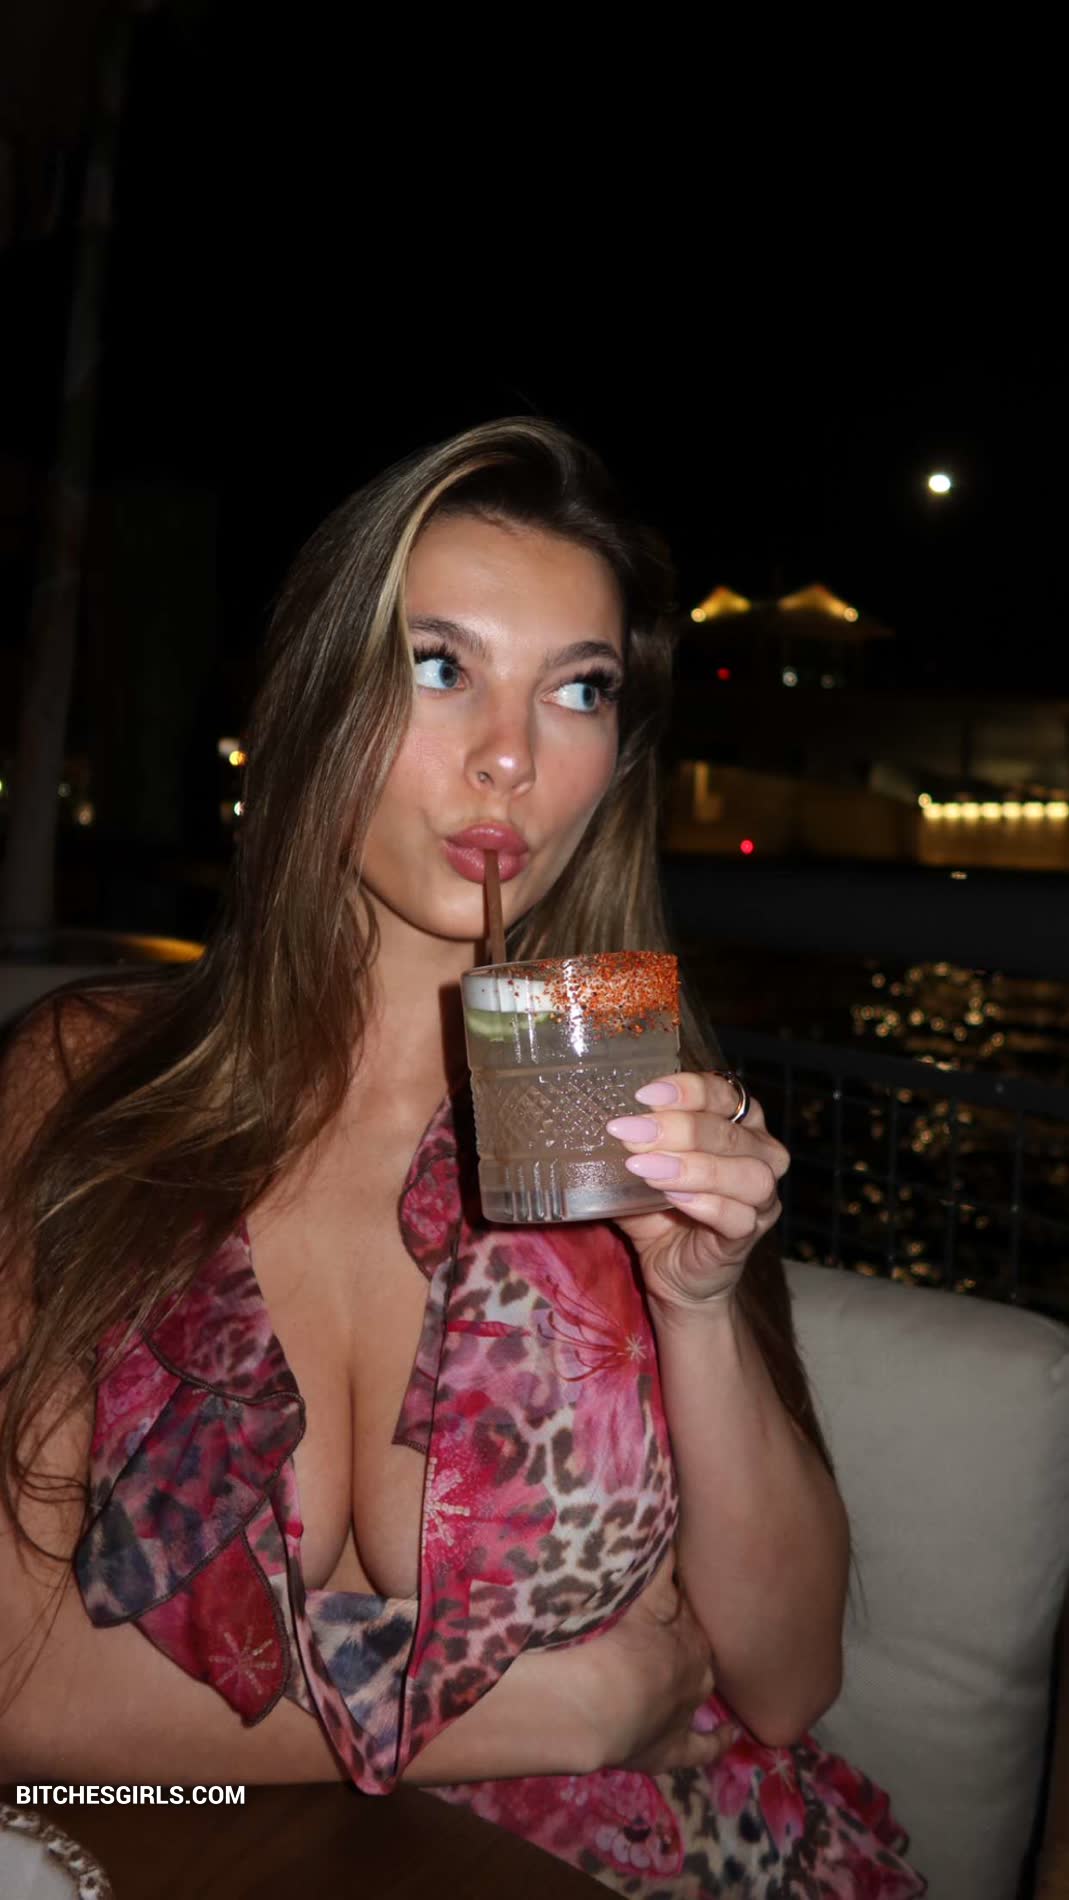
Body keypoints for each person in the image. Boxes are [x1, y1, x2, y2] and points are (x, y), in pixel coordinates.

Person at [0, 418, 926, 1895]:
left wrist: (695, 1302)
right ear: (315, 697)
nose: (511, 757)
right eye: (440, 667)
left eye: (578, 689)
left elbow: (784, 1681)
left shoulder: (613, 1081)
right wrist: (535, 1715)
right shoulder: (93, 1085)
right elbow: (24, 1709)